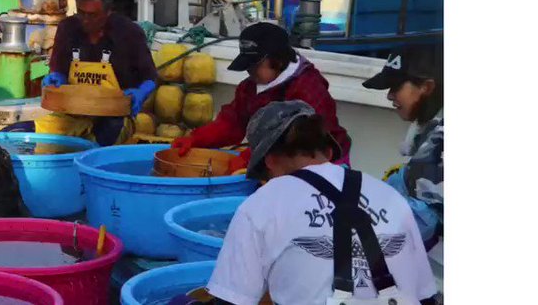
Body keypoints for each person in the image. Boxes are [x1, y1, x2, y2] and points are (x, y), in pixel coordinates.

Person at [204, 101, 438, 305]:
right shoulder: (390, 197)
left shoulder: (260, 206)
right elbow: (425, 296)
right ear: (327, 151)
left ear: (270, 161)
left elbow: (231, 300)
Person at [171, 21, 351, 173]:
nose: (249, 71)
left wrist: (248, 159)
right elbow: (232, 122)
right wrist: (196, 139)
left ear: (278, 60)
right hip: (279, 163)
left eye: (254, 65)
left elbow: (297, 140)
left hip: (324, 163)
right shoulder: (249, 88)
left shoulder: (308, 88)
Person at [362, 46, 444, 291]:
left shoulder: (441, 142)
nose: (389, 95)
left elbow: (422, 220)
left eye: (396, 87)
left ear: (427, 87)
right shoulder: (429, 131)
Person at [42, 0, 158, 146]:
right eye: (81, 13)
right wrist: (56, 77)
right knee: (37, 138)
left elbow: (151, 77)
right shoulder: (67, 29)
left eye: (93, 15)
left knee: (96, 148)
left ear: (108, 11)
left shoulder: (129, 33)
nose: (86, 20)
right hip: (72, 114)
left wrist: (141, 92)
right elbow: (58, 69)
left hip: (115, 116)